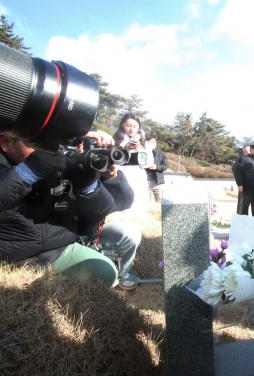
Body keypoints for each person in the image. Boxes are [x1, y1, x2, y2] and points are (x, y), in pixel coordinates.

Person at [0, 131, 141, 290]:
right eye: (38, 143)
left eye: (59, 142)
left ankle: (118, 277)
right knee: (104, 271)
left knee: (127, 234)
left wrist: (93, 181)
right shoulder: (26, 165)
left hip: (65, 244)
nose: (52, 150)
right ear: (6, 142)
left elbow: (115, 205)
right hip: (19, 253)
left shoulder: (63, 163)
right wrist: (28, 171)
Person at [113, 113, 149, 215]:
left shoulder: (142, 142)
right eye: (128, 126)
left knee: (136, 198)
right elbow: (113, 159)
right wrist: (124, 149)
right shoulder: (116, 140)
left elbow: (146, 163)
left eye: (135, 126)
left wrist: (140, 151)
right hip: (121, 172)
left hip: (137, 174)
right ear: (122, 125)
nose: (131, 129)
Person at [232, 144, 254, 217]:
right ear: (251, 150)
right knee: (243, 209)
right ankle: (242, 225)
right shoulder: (243, 159)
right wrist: (239, 184)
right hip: (245, 188)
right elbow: (235, 169)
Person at [144, 131, 168, 202]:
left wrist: (156, 167)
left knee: (160, 203)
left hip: (158, 181)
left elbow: (165, 166)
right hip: (145, 180)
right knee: (145, 201)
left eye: (153, 141)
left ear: (155, 141)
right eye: (149, 142)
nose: (151, 143)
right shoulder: (142, 151)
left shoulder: (161, 153)